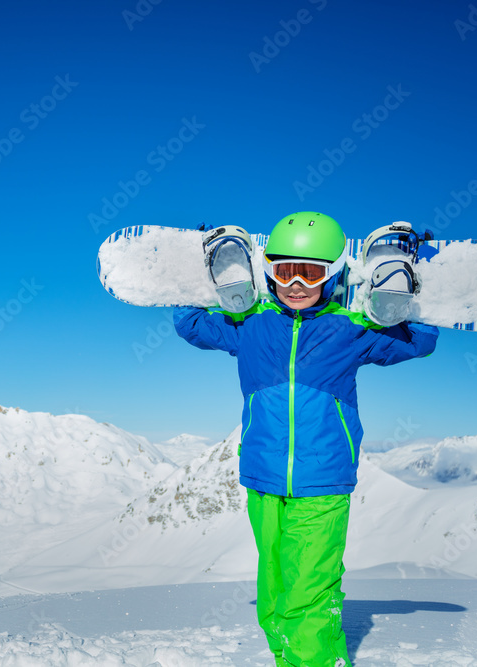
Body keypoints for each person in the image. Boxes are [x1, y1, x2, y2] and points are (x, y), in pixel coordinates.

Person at [174, 211, 438, 667]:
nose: (296, 283)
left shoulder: (350, 327)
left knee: (308, 594)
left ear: (332, 273)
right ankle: (291, 659)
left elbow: (418, 340)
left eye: (311, 272)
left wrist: (408, 279)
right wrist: (205, 272)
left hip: (323, 483)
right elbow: (190, 324)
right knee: (274, 592)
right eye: (284, 270)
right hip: (262, 479)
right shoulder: (251, 323)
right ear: (267, 273)